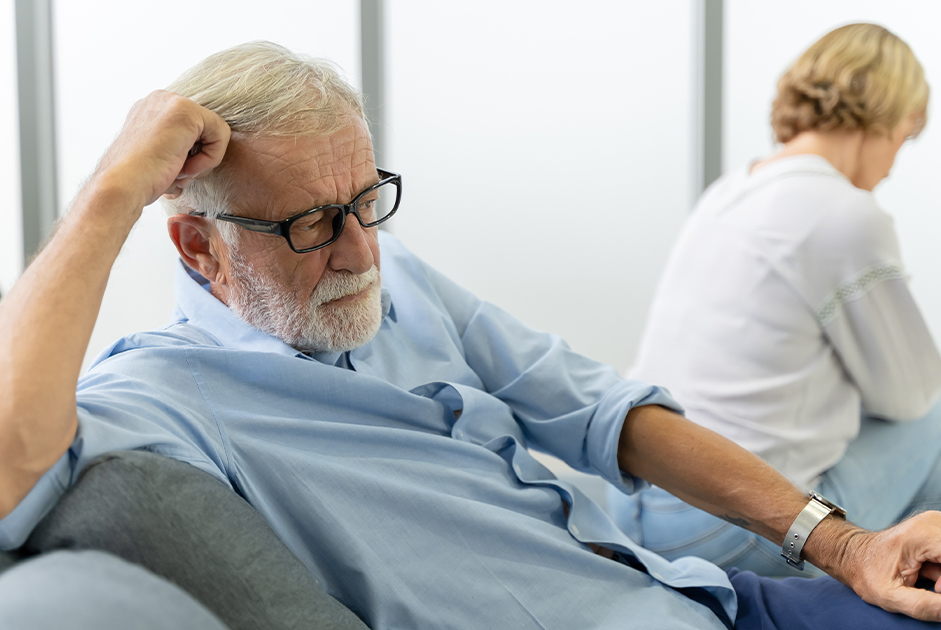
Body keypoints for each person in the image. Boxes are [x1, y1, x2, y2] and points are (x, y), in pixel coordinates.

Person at [3, 41, 941, 630]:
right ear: (199, 248)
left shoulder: (398, 277)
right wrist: (112, 188)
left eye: (367, 200)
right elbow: (10, 456)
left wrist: (843, 547)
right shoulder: (164, 395)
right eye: (311, 224)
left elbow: (601, 412)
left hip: (697, 591)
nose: (360, 251)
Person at [607, 23, 941, 579]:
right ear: (884, 116)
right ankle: (905, 584)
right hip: (731, 531)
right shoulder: (844, 213)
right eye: (903, 140)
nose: (892, 167)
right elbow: (911, 395)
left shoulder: (731, 191)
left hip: (636, 508)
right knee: (935, 414)